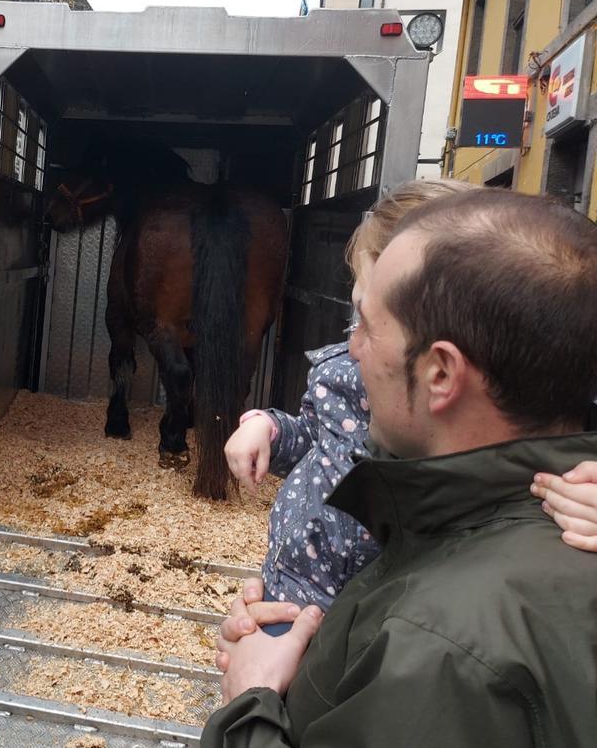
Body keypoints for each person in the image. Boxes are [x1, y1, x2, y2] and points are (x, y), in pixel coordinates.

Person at [204, 188, 597, 747]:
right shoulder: (458, 521)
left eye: (365, 323)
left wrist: (249, 705)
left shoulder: (438, 647)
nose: (352, 350)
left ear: (440, 374)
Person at [225, 180, 472, 624]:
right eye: (356, 314)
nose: (353, 345)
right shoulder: (343, 369)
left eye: (369, 321)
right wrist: (270, 429)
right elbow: (321, 440)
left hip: (346, 622)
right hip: (292, 585)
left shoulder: (440, 435)